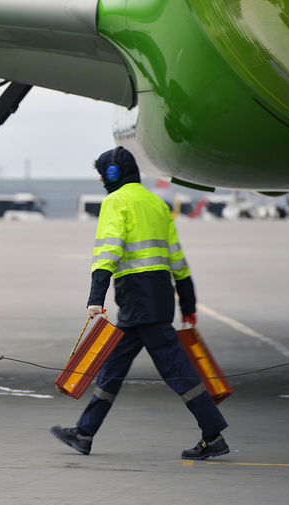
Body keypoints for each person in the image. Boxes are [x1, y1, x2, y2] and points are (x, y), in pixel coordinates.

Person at [50, 147, 229, 460]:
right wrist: (188, 306)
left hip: (137, 296)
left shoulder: (115, 201)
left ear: (111, 174)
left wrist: (95, 298)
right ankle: (84, 433)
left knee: (177, 370)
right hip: (157, 296)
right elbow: (178, 261)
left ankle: (213, 435)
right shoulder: (156, 203)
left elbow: (108, 252)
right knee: (112, 368)